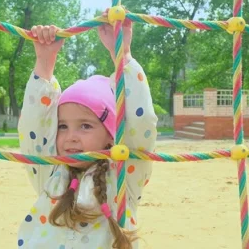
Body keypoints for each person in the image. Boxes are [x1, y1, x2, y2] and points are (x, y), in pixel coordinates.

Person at [16, 13, 158, 249]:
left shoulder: (123, 177)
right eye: (62, 126)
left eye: (85, 126)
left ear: (111, 135)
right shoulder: (50, 173)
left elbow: (141, 123)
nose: (71, 136)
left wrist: (122, 54)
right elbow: (34, 123)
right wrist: (44, 62)